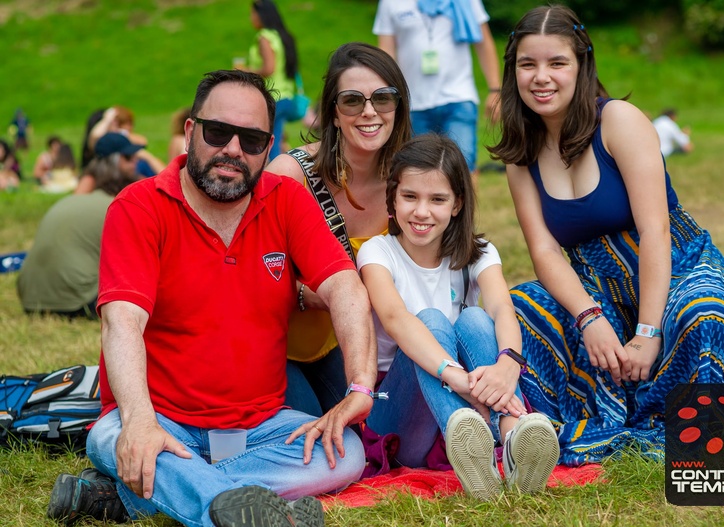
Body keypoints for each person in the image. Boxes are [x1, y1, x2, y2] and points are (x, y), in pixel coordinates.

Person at [45, 70, 378, 527]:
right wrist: (140, 422)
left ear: (270, 146)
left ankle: (133, 495)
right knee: (109, 436)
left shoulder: (287, 200)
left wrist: (360, 385)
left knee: (346, 455)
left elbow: (345, 287)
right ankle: (241, 512)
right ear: (190, 132)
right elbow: (121, 322)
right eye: (219, 132)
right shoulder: (138, 206)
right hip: (157, 417)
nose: (234, 151)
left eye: (253, 139)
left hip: (260, 427)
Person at [488, 5, 724, 466]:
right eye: (527, 64)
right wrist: (588, 316)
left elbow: (655, 230)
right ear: (513, 71)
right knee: (520, 308)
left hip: (678, 267)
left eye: (556, 63)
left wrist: (647, 331)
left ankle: (704, 450)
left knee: (705, 314)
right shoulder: (520, 151)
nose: (541, 77)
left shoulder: (618, 120)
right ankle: (528, 431)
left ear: (581, 66)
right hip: (596, 287)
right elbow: (543, 249)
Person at [357, 133, 560, 499]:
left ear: (457, 204)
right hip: (400, 410)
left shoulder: (477, 252)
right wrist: (460, 380)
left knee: (477, 320)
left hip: (475, 399)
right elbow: (395, 319)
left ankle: (512, 437)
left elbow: (501, 308)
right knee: (430, 320)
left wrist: (507, 364)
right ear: (392, 199)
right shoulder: (377, 252)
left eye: (437, 199)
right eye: (410, 197)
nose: (422, 212)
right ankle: (465, 435)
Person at [267, 42, 412, 417]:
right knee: (309, 439)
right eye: (352, 101)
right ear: (333, 113)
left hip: (350, 350)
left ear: (399, 107)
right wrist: (307, 294)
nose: (369, 112)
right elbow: (243, 273)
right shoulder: (289, 175)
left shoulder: (410, 184)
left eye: (383, 98)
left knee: (359, 437)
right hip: (272, 346)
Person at [17, 134, 142, 318]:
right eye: (129, 158)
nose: (135, 163)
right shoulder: (115, 208)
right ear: (114, 163)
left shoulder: (70, 202)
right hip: (75, 300)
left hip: (30, 299)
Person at [373, 0, 502, 173]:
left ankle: (466, 201)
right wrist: (386, 96)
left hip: (459, 96)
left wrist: (495, 90)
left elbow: (484, 43)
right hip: (413, 103)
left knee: (462, 164)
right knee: (418, 168)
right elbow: (386, 51)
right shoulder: (391, 3)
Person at [239, 0, 299, 161]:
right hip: (286, 96)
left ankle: (274, 176)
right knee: (276, 141)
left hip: (273, 97)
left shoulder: (264, 37)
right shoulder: (281, 36)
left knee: (265, 143)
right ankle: (282, 173)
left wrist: (245, 71)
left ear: (261, 15)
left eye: (252, 13)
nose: (251, 18)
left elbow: (268, 68)